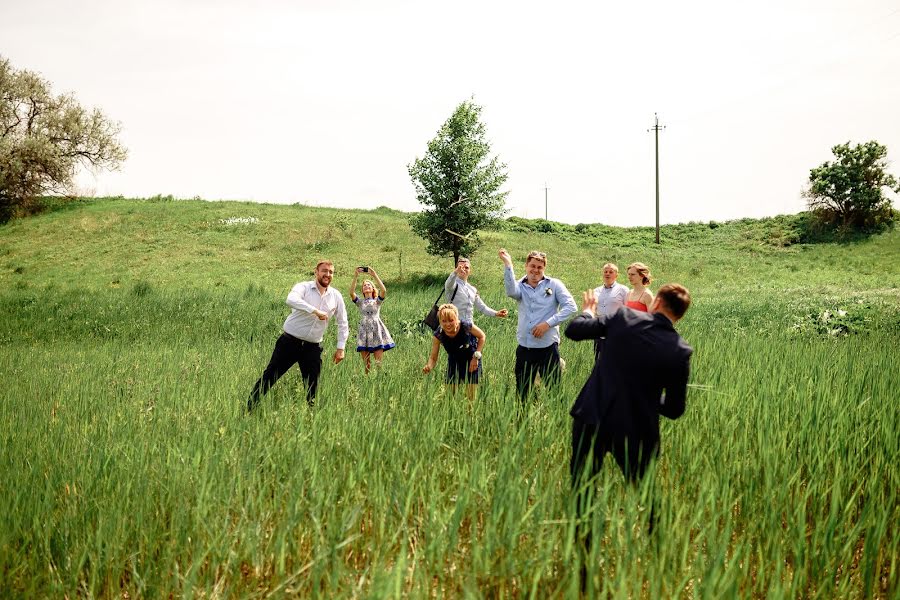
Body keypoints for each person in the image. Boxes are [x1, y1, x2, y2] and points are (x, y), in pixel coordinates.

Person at [565, 283, 693, 543]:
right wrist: (647, 395)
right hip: (637, 430)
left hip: (593, 416)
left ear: (655, 302)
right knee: (646, 493)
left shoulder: (624, 317)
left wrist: (589, 311)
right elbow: (674, 409)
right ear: (680, 315)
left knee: (584, 489)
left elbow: (574, 331)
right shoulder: (680, 350)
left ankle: (583, 549)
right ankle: (659, 548)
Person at [246, 260, 349, 411]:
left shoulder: (336, 296)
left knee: (312, 386)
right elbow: (291, 300)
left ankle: (310, 417)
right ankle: (249, 410)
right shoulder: (304, 287)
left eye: (331, 272)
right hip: (289, 343)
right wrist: (314, 310)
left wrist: (341, 348)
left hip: (312, 348)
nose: (327, 274)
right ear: (316, 272)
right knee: (269, 377)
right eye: (324, 271)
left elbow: (343, 322)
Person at [499, 248, 577, 400]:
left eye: (539, 267)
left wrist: (547, 324)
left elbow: (571, 307)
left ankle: (552, 421)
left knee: (554, 391)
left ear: (544, 268)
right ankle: (524, 421)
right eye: (532, 266)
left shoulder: (554, 285)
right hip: (525, 349)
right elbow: (510, 291)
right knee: (523, 393)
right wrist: (508, 264)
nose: (535, 270)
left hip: (548, 349)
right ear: (526, 266)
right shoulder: (520, 287)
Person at [422, 303, 486, 401]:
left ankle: (470, 415)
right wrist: (429, 366)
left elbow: (482, 336)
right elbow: (433, 358)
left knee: (471, 398)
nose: (448, 324)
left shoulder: (466, 326)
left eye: (451, 320)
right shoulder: (438, 335)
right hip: (454, 362)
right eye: (444, 321)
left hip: (472, 361)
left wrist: (476, 356)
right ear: (440, 321)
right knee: (450, 398)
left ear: (457, 318)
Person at [349, 266, 395, 373]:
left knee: (379, 364)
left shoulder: (377, 301)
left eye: (368, 284)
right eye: (364, 285)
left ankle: (379, 382)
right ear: (362, 290)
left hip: (376, 330)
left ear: (372, 288)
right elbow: (351, 293)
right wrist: (355, 276)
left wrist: (374, 275)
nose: (366, 286)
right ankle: (367, 383)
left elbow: (383, 290)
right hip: (364, 330)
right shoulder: (360, 302)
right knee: (367, 365)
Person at [444, 257, 509, 326]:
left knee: (481, 336)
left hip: (469, 326)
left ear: (470, 271)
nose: (463, 269)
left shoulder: (472, 289)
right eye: (460, 267)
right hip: (453, 325)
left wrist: (496, 313)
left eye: (466, 267)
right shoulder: (452, 285)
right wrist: (455, 272)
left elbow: (482, 308)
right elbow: (448, 283)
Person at [591, 262, 628, 359]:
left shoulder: (623, 290)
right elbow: (593, 310)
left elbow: (628, 311)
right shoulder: (596, 291)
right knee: (598, 361)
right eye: (605, 272)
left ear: (616, 275)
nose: (607, 274)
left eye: (611, 272)